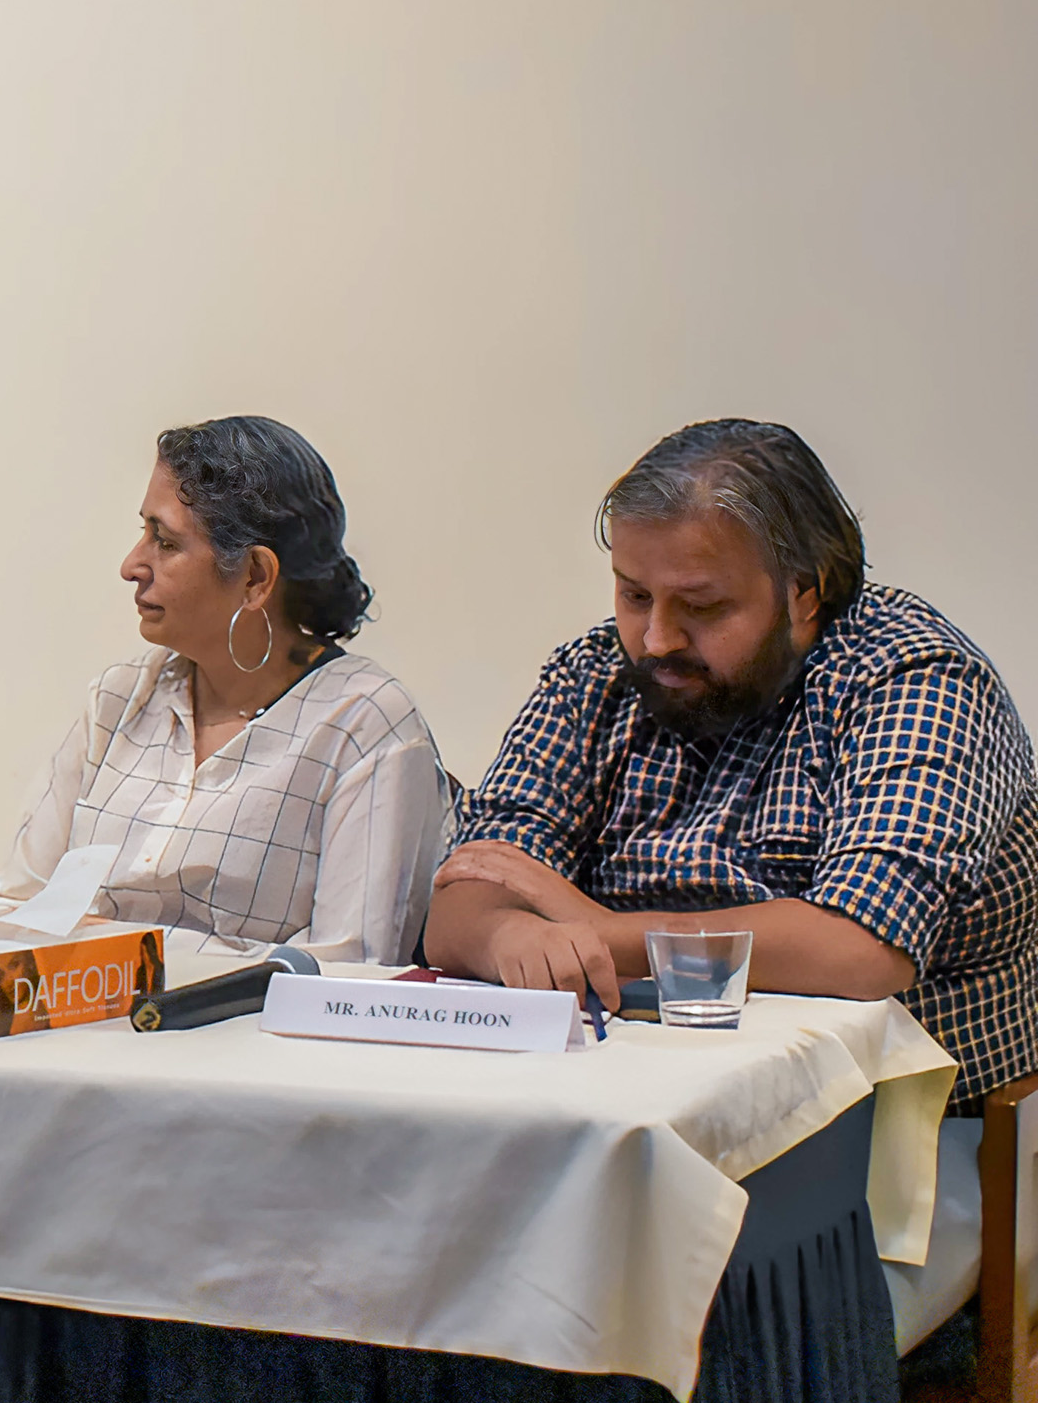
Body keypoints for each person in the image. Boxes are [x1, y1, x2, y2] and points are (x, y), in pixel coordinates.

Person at [426, 420, 1038, 1116]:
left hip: (889, 1133)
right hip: (618, 1094)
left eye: (703, 606)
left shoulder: (917, 676)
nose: (657, 639)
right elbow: (464, 895)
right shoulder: (592, 676)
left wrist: (590, 928)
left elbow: (861, 949)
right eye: (633, 596)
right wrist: (512, 935)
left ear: (806, 593)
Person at [0, 417, 448, 963]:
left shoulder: (365, 725)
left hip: (249, 1047)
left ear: (254, 577)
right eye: (143, 532)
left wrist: (93, 947)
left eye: (166, 541)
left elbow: (347, 972)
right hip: (78, 1041)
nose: (132, 565)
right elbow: (1, 913)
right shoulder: (118, 699)